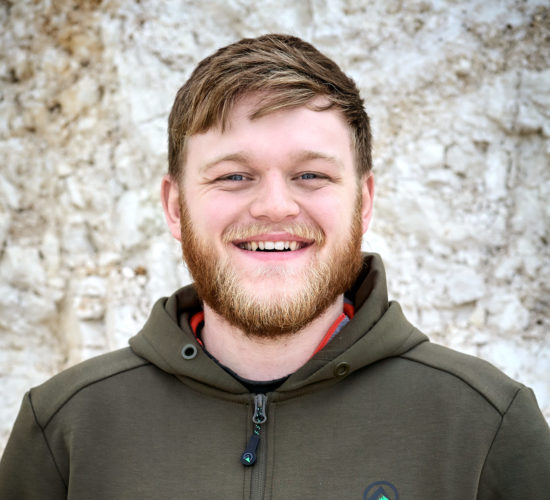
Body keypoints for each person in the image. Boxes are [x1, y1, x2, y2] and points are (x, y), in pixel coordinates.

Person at [0, 34, 548, 500]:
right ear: (174, 206)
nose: (275, 207)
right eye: (234, 176)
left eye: (311, 175)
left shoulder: (486, 426)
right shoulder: (66, 428)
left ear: (365, 201)